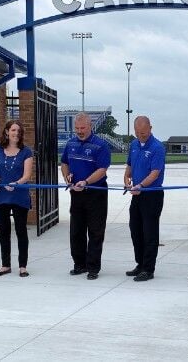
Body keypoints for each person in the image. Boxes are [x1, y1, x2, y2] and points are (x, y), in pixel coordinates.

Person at [61, 112, 111, 280]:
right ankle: (79, 264)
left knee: (95, 232)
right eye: (77, 128)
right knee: (76, 231)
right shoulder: (70, 143)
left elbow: (102, 169)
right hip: (76, 194)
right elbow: (64, 163)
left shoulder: (101, 145)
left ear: (90, 126)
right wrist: (67, 178)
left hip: (95, 193)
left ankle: (93, 268)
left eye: (82, 128)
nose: (79, 131)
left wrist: (86, 182)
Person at [0, 120, 34, 277]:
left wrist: (17, 183)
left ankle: (23, 266)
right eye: (13, 130)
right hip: (1, 196)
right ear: (6, 132)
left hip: (19, 195)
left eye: (18, 131)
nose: (16, 133)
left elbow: (27, 175)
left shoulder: (26, 152)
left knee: (21, 231)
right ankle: (5, 264)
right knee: (4, 231)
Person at [123, 116, 166, 282]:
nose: (141, 136)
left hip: (151, 195)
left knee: (149, 233)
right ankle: (140, 263)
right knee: (135, 230)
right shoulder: (133, 145)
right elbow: (130, 166)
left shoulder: (157, 147)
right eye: (138, 133)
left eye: (144, 132)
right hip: (136, 194)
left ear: (150, 128)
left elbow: (155, 173)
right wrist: (126, 177)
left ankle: (148, 269)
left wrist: (140, 185)